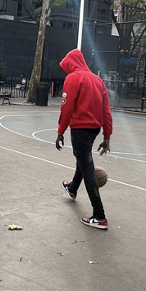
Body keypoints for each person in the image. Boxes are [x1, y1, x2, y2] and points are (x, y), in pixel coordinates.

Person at [55, 48, 113, 230]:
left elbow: (67, 108)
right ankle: (72, 188)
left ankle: (99, 216)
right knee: (83, 158)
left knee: (87, 167)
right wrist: (107, 136)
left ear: (70, 64)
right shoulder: (98, 80)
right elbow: (106, 111)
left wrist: (60, 131)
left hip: (80, 128)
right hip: (94, 128)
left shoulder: (73, 78)